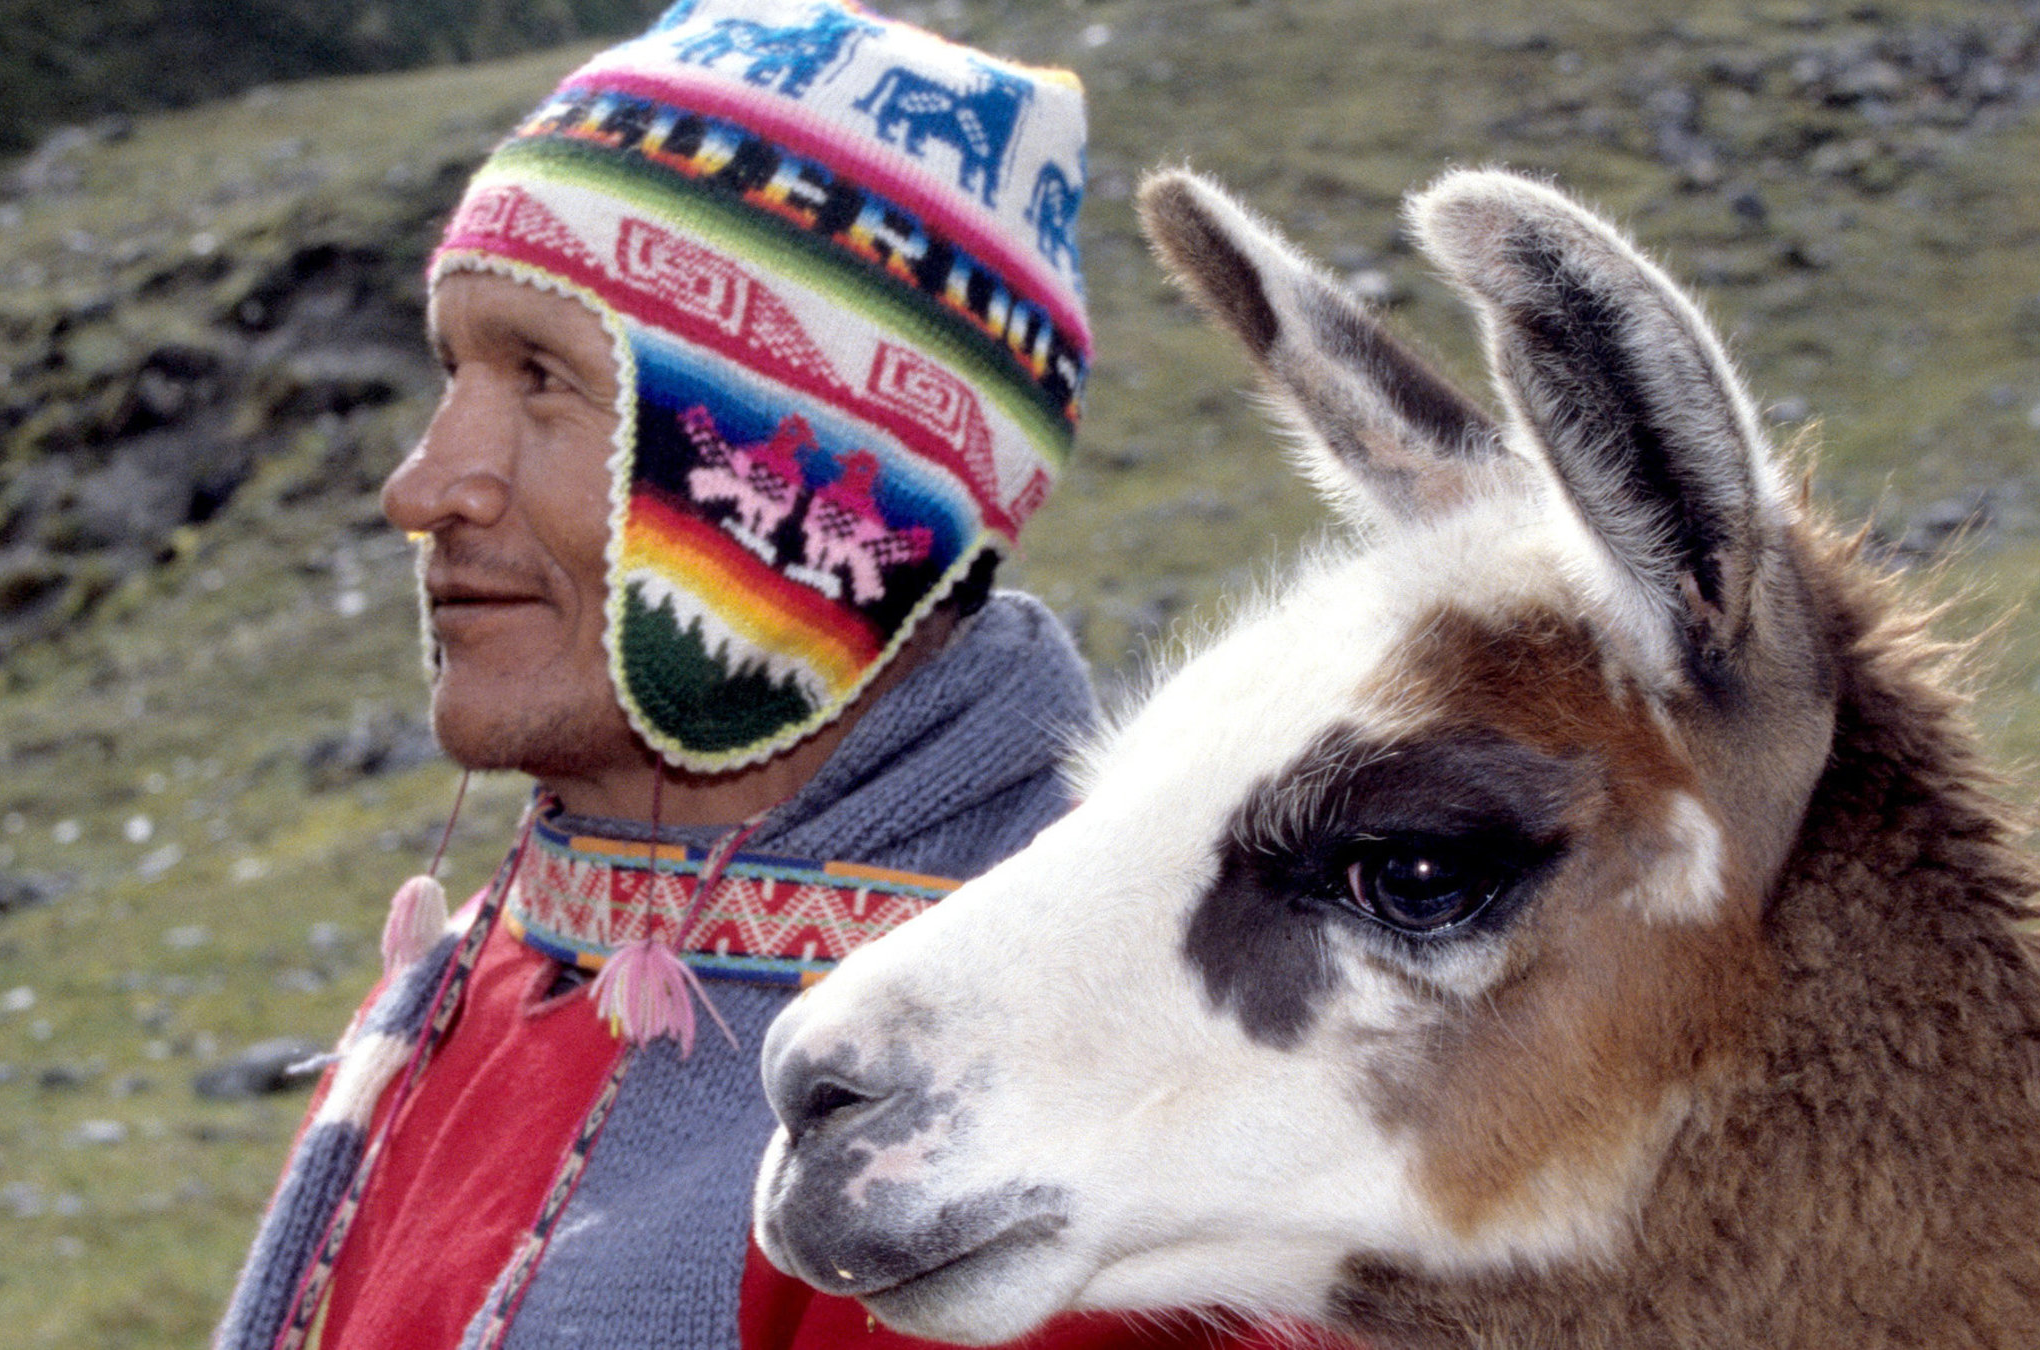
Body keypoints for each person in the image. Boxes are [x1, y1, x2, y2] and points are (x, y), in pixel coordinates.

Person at [212, 3, 1308, 1348]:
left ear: (781, 481)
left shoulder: (1051, 1113)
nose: (423, 483)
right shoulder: (491, 963)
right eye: (455, 370)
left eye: (545, 379)